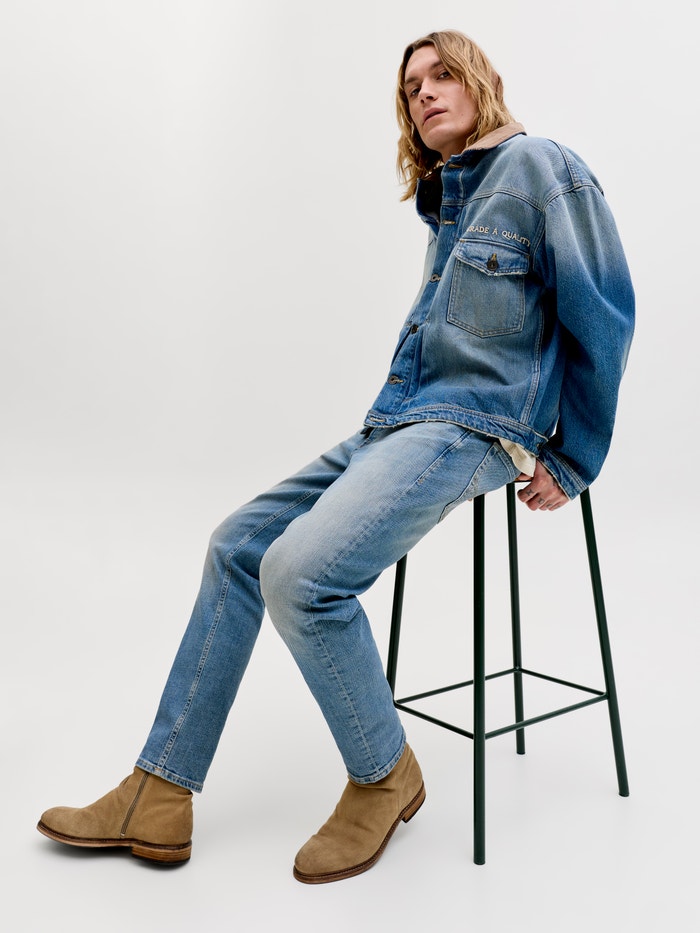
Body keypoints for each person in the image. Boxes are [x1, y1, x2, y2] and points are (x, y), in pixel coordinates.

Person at [36, 29, 634, 883]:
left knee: (299, 575)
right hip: (397, 422)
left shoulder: (542, 167)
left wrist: (574, 458)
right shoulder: (449, 198)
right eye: (411, 88)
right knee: (237, 545)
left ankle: (384, 774)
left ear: (482, 81)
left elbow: (605, 311)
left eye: (442, 75)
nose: (425, 94)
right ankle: (159, 789)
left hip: (476, 427)